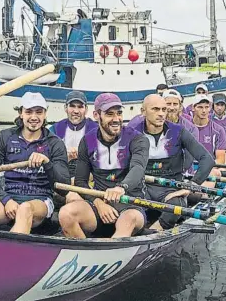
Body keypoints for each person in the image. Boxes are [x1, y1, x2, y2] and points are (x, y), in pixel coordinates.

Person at [0, 92, 70, 234]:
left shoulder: (55, 143)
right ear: (21, 113)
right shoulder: (5, 137)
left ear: (45, 114)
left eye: (39, 112)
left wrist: (47, 163)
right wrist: (6, 200)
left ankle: (9, 253)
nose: (34, 117)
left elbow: (64, 189)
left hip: (40, 201)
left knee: (25, 209)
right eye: (29, 112)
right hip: (10, 198)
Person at [58, 93, 150, 239]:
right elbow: (81, 181)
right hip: (100, 204)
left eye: (119, 113)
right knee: (65, 214)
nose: (116, 119)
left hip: (130, 203)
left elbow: (138, 168)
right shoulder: (88, 140)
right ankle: (85, 255)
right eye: (109, 114)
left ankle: (111, 253)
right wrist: (98, 203)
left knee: (128, 220)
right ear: (96, 115)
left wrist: (121, 187)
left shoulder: (137, 139)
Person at [127, 94, 214, 231]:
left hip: (171, 189)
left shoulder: (178, 132)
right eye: (155, 109)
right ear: (143, 111)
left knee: (175, 207)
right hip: (142, 187)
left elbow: (207, 159)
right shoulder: (131, 133)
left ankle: (155, 230)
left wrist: (190, 186)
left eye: (163, 109)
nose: (161, 114)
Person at [49, 90, 98, 179]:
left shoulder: (95, 129)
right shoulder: (55, 129)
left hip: (89, 175)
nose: (76, 111)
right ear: (65, 108)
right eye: (72, 106)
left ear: (86, 109)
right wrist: (65, 156)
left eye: (80, 107)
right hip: (62, 174)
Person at [190, 93, 226, 165]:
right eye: (200, 107)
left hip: (209, 169)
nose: (204, 111)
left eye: (206, 107)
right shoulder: (184, 128)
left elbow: (220, 160)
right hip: (188, 169)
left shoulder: (218, 130)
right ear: (193, 108)